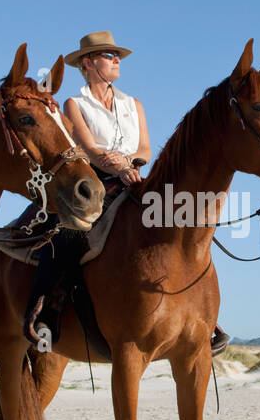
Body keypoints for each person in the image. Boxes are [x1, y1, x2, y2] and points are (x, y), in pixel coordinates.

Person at [26, 31, 229, 355]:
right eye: (109, 55)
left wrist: (132, 163)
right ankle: (49, 306)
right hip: (96, 178)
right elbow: (87, 147)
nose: (117, 60)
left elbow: (146, 146)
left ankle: (204, 317)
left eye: (116, 55)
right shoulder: (74, 103)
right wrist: (113, 164)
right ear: (89, 63)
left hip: (135, 175)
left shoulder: (133, 104)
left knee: (188, 224)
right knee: (69, 231)